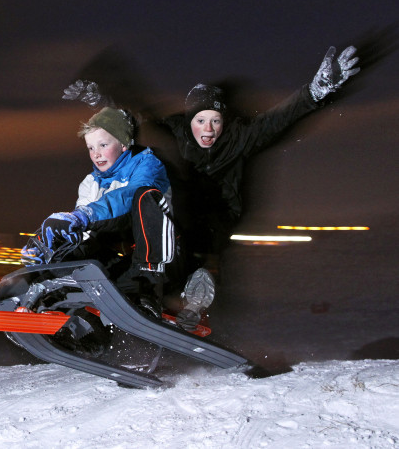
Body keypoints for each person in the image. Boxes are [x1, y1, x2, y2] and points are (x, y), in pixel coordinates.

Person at [62, 45, 361, 330]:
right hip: (184, 205)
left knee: (200, 256)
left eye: (215, 121)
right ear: (189, 119)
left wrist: (314, 92)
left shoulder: (241, 137)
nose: (208, 129)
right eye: (201, 120)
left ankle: (194, 305)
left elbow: (277, 121)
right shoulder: (177, 129)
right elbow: (136, 114)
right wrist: (101, 98)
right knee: (151, 178)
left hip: (219, 214)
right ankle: (89, 266)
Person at [23, 104, 177, 317]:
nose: (96, 154)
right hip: (117, 260)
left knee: (145, 197)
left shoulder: (148, 165)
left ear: (124, 144)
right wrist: (53, 249)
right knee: (71, 247)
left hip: (156, 261)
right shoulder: (90, 183)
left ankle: (146, 292)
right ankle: (51, 299)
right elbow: (87, 235)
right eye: (90, 148)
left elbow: (127, 196)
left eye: (103, 145)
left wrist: (85, 215)